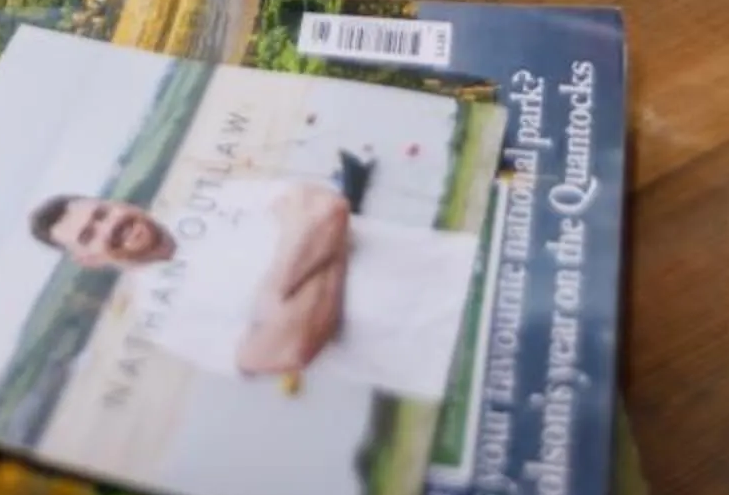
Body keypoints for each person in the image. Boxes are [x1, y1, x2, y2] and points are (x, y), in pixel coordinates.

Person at [27, 165, 476, 397]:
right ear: (88, 259)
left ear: (116, 202)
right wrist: (324, 242)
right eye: (90, 235)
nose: (110, 227)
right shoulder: (159, 317)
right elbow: (288, 350)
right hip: (441, 360)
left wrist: (277, 291)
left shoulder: (215, 197)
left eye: (102, 213)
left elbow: (328, 208)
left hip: (464, 268)